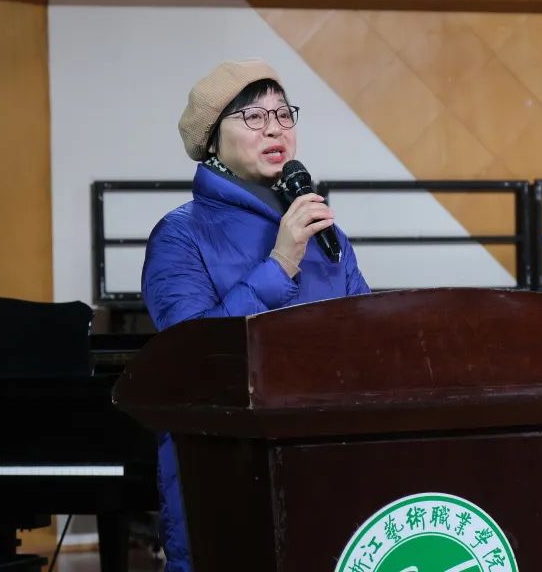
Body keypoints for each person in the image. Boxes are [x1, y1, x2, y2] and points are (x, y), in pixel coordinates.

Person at [141, 58, 371, 571]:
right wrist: (280, 264)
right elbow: (192, 360)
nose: (274, 128)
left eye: (283, 114)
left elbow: (368, 339)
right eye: (252, 116)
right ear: (211, 141)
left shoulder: (323, 231)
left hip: (327, 467)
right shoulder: (180, 235)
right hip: (225, 472)